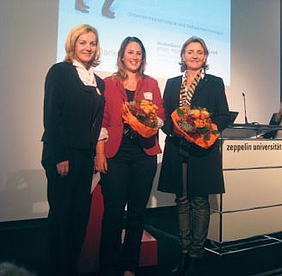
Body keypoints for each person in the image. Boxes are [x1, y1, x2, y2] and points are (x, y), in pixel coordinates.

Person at [158, 36, 231, 276]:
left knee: (200, 202)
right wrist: (175, 128)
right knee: (182, 200)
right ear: (182, 56)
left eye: (200, 52)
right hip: (177, 149)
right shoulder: (171, 83)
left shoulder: (215, 83)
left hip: (202, 150)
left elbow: (222, 115)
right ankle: (184, 250)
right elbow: (165, 117)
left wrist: (204, 129)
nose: (195, 55)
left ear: (206, 57)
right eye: (190, 51)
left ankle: (196, 254)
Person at [95, 36, 165, 276]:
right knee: (113, 213)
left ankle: (129, 266)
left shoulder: (152, 84)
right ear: (122, 55)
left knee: (137, 213)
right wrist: (100, 152)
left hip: (144, 156)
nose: (134, 57)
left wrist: (147, 119)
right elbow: (101, 121)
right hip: (115, 156)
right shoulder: (108, 83)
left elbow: (161, 117)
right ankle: (109, 266)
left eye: (138, 53)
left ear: (143, 57)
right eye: (130, 52)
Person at [41, 24, 105, 276]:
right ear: (73, 45)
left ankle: (70, 267)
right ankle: (56, 269)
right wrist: (60, 156)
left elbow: (97, 121)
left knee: (79, 218)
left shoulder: (97, 80)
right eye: (83, 43)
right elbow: (52, 116)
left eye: (92, 43)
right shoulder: (60, 72)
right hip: (63, 154)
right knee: (61, 217)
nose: (88, 47)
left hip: (85, 157)